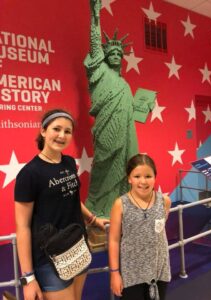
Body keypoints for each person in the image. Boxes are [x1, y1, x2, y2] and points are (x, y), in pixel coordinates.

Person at [14, 108, 109, 300]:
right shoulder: (29, 174)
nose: (61, 135)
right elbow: (22, 227)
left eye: (67, 131)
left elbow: (73, 198)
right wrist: (28, 278)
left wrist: (92, 219)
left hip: (78, 246)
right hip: (50, 257)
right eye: (56, 129)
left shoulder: (68, 162)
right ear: (43, 131)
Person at [83, 0, 138, 218]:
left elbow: (130, 114)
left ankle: (117, 206)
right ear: (105, 57)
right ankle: (97, 207)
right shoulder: (100, 72)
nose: (115, 56)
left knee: (123, 170)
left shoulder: (125, 84)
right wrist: (95, 16)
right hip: (106, 133)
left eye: (119, 53)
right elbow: (95, 44)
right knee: (103, 169)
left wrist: (143, 108)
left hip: (125, 135)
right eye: (111, 53)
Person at [109, 154, 171, 300]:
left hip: (159, 270)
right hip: (131, 273)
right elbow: (114, 240)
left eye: (148, 176)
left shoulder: (164, 202)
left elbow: (160, 233)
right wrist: (114, 273)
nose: (143, 181)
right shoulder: (120, 204)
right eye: (137, 176)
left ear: (155, 177)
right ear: (129, 178)